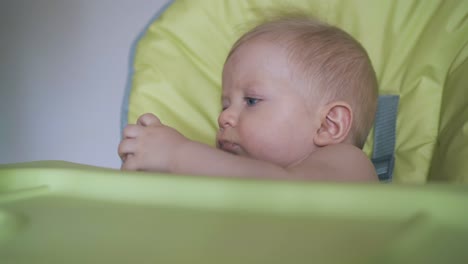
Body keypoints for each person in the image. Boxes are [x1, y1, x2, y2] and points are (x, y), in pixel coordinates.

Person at [118, 14, 379, 181]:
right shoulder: (243, 178)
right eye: (225, 104)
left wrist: (177, 155)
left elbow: (284, 193)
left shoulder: (348, 163)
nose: (223, 117)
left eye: (252, 101)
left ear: (329, 124)